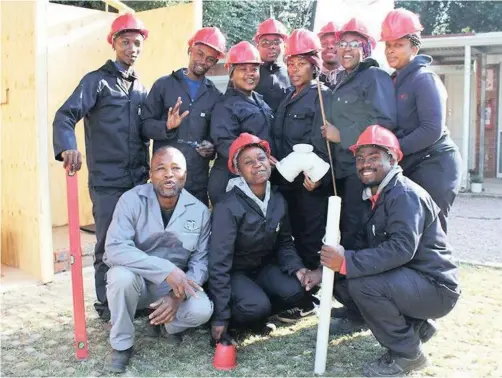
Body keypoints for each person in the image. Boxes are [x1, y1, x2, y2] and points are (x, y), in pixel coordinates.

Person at [309, 125, 460, 377]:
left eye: (373, 157)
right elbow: (362, 245)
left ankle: (408, 354)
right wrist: (324, 270)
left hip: (436, 288)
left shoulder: (404, 194)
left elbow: (401, 249)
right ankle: (417, 326)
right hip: (416, 280)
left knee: (363, 285)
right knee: (346, 281)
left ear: (392, 158)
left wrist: (346, 261)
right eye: (360, 159)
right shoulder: (377, 194)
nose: (364, 164)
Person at [52, 13, 150, 321]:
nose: (132, 48)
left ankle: (134, 299)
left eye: (137, 43)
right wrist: (68, 145)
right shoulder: (96, 81)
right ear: (113, 43)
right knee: (108, 245)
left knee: (138, 242)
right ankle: (108, 306)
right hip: (107, 182)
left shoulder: (140, 89)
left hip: (138, 180)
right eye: (125, 42)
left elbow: (148, 130)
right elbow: (65, 115)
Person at [103, 147, 213, 373]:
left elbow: (200, 262)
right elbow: (115, 248)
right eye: (160, 169)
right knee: (119, 277)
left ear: (185, 174)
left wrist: (176, 295)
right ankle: (122, 345)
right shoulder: (131, 200)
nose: (168, 174)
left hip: (174, 286)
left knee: (203, 309)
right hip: (138, 283)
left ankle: (168, 325)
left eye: (175, 168)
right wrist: (165, 269)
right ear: (151, 175)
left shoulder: (200, 211)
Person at [208, 133, 316, 343]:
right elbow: (218, 264)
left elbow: (284, 242)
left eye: (261, 158)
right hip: (234, 272)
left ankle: (261, 306)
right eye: (248, 162)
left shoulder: (276, 198)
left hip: (262, 268)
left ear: (270, 161)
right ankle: (239, 316)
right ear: (237, 170)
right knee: (255, 307)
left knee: (296, 290)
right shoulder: (227, 207)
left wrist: (297, 268)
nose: (257, 165)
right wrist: (220, 317)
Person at [381, 8, 462, 233]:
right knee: (410, 230)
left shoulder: (424, 78)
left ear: (414, 47)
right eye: (388, 45)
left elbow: (430, 129)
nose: (390, 51)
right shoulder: (393, 81)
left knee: (431, 233)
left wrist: (391, 152)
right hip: (411, 162)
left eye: (398, 45)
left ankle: (440, 270)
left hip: (435, 163)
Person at [270, 29, 332, 322]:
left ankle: (312, 298)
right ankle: (299, 292)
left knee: (310, 238)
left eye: (300, 63)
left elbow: (322, 143)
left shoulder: (320, 95)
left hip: (310, 184)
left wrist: (317, 176)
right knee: (292, 236)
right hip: (287, 181)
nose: (293, 69)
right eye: (290, 63)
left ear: (314, 64)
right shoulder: (288, 97)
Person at [322, 18, 396, 250]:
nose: (346, 49)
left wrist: (341, 135)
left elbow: (383, 121)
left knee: (356, 227)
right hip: (342, 167)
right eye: (342, 43)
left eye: (354, 44)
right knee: (342, 226)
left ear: (366, 49)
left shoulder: (374, 76)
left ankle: (354, 281)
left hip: (361, 168)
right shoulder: (345, 79)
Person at [140, 27, 226, 205]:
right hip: (166, 179)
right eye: (199, 53)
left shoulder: (215, 96)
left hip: (197, 181)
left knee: (194, 230)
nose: (203, 61)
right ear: (190, 49)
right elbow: (144, 126)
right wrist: (166, 127)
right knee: (162, 230)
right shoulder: (164, 85)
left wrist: (211, 147)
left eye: (210, 59)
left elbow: (216, 136)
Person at [208, 41, 275, 204]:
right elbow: (223, 142)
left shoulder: (259, 100)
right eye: (243, 69)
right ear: (231, 72)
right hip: (231, 181)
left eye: (254, 69)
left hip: (254, 178)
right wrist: (258, 159)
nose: (250, 74)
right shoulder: (226, 105)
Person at [253, 18, 291, 113]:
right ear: (258, 47)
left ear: (284, 46)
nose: (272, 46)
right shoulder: (248, 72)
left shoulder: (292, 73)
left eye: (277, 42)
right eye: (265, 43)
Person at [317, 21, 343, 89]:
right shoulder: (312, 76)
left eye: (335, 43)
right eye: (324, 43)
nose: (329, 46)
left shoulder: (351, 76)